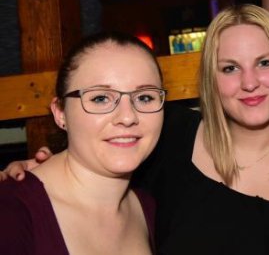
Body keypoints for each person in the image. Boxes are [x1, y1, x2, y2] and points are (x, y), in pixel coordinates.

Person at [3, 5, 269, 254]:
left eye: (265, 63)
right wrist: (37, 172)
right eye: (230, 68)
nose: (249, 82)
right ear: (210, 81)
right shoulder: (170, 137)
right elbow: (93, 155)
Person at [0, 32, 165, 254]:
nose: (127, 117)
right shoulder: (11, 212)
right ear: (60, 113)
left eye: (145, 97)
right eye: (100, 98)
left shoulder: (149, 208)